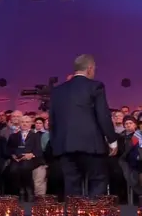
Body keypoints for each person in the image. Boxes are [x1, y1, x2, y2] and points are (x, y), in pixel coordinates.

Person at [49, 54, 117, 196]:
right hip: (91, 145)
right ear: (90, 69)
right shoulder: (96, 86)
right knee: (98, 181)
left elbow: (53, 121)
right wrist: (112, 140)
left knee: (72, 186)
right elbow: (103, 115)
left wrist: (56, 145)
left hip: (65, 146)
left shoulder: (57, 91)